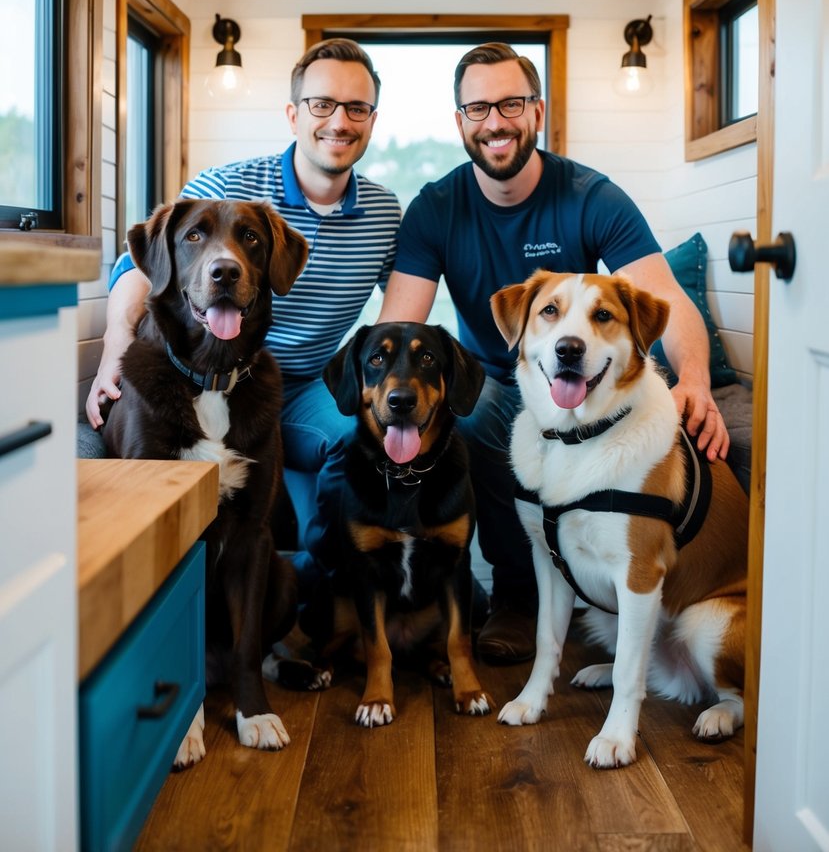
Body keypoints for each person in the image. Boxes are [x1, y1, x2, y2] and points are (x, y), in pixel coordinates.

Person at [378, 41, 729, 664]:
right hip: (491, 382)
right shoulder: (436, 207)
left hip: (584, 382)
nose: (495, 122)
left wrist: (696, 381)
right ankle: (515, 592)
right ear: (460, 121)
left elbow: (663, 298)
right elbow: (400, 325)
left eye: (510, 103)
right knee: (480, 407)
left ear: (536, 111)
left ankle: (603, 581)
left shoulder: (591, 195)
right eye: (478, 108)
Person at [86, 38, 401, 592]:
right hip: (202, 372)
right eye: (322, 104)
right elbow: (142, 268)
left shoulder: (382, 213)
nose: (339, 121)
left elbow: (399, 312)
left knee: (364, 432)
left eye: (357, 108)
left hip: (301, 387)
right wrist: (115, 342)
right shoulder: (225, 186)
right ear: (294, 113)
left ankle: (321, 587)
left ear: (372, 119)